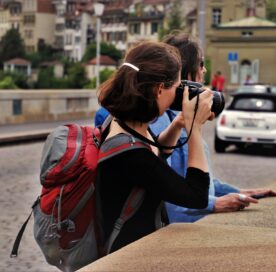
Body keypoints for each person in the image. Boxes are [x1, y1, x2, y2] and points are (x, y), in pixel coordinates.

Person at [96, 41, 213, 253]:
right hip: (128, 256)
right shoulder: (132, 156)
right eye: (177, 88)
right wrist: (194, 128)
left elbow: (155, 156)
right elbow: (197, 197)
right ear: (160, 89)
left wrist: (178, 123)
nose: (179, 95)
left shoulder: (122, 123)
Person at [150, 32, 276, 222]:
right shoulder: (161, 119)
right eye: (201, 64)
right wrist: (214, 204)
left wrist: (238, 192)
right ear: (185, 69)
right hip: (177, 232)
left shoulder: (180, 115)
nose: (205, 70)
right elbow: (164, 190)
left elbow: (197, 179)